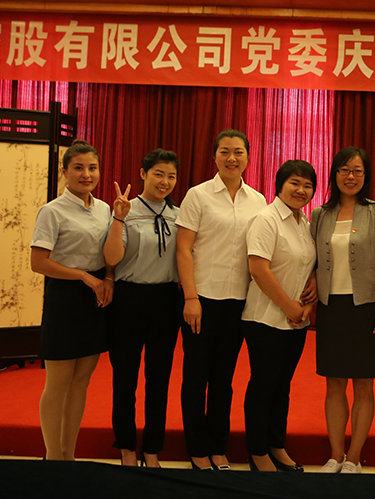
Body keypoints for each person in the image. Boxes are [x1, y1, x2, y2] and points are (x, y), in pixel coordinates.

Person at [175, 129, 266, 471]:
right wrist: (190, 296)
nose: (232, 158)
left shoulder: (257, 200)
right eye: (225, 151)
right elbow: (183, 249)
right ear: (214, 156)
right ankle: (197, 448)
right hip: (201, 299)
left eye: (238, 152)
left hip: (239, 301)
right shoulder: (198, 195)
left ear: (248, 157)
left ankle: (217, 446)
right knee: (196, 376)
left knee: (223, 379)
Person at [312, 146, 375, 474]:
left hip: (367, 307)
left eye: (357, 171)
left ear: (366, 175)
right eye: (345, 170)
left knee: (363, 384)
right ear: (334, 174)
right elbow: (311, 258)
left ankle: (354, 458)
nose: (351, 176)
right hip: (331, 307)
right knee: (333, 384)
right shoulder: (320, 215)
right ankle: (336, 455)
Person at [30, 139, 112, 461]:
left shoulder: (104, 209)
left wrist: (107, 279)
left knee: (80, 383)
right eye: (78, 168)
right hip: (65, 298)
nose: (86, 174)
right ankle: (52, 456)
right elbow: (39, 263)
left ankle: (69, 454)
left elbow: (109, 253)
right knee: (58, 383)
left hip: (95, 299)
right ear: (64, 172)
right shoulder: (52, 211)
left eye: (92, 168)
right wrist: (83, 277)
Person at [103, 148, 181, 468]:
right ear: (142, 174)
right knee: (125, 377)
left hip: (166, 301)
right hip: (128, 300)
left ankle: (152, 447)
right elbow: (111, 258)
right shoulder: (126, 210)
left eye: (171, 176)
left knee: (159, 379)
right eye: (158, 174)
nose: (165, 182)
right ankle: (125, 445)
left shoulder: (179, 215)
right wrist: (119, 218)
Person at [244, 160, 318, 473]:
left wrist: (310, 293)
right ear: (279, 185)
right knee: (264, 385)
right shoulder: (266, 219)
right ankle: (257, 452)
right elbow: (258, 268)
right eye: (294, 183)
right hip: (265, 318)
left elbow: (307, 264)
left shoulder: (304, 222)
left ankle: (276, 444)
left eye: (307, 185)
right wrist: (288, 306)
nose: (301, 190)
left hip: (297, 320)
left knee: (282, 385)